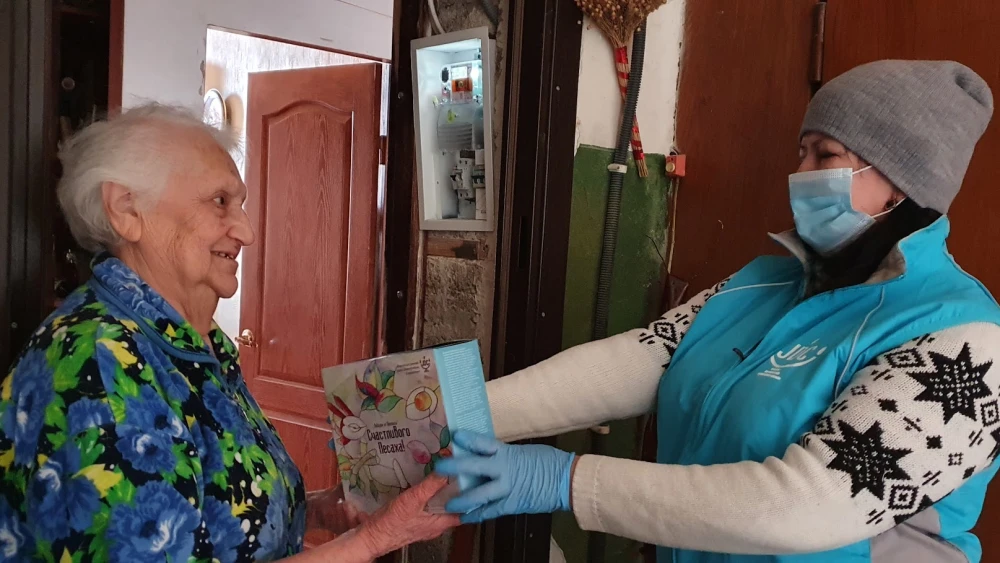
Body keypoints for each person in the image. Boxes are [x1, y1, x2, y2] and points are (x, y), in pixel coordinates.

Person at [437, 60, 1000, 562]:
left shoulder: (966, 340)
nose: (802, 175)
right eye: (801, 152)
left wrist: (565, 481)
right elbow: (635, 362)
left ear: (903, 187)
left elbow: (810, 504)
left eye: (826, 156)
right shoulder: (761, 284)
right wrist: (449, 413)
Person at [0, 104, 458, 562]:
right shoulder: (94, 364)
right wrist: (375, 540)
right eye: (220, 201)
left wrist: (318, 511)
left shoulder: (188, 347)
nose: (246, 231)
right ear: (126, 209)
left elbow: (219, 512)